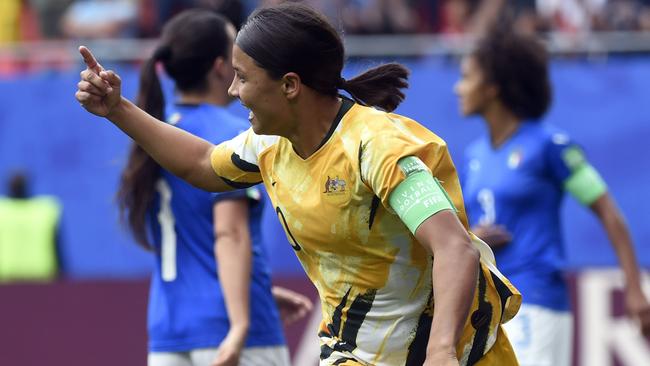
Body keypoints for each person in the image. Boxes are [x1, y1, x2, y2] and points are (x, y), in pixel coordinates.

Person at [75, 3, 522, 365]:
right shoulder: (268, 145)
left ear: (289, 85)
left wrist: (441, 352)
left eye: (243, 77)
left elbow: (454, 248)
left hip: (462, 353)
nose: (232, 90)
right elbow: (200, 164)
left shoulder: (377, 148)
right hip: (354, 356)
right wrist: (118, 109)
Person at [114, 9, 311, 366]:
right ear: (223, 66)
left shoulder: (158, 134)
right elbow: (229, 234)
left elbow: (195, 243)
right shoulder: (230, 134)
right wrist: (240, 322)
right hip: (230, 333)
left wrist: (259, 291)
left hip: (168, 331)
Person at [454, 26, 650, 366]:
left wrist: (634, 289)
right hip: (487, 306)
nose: (458, 88)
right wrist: (473, 239)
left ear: (492, 88)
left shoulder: (551, 147)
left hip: (536, 301)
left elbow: (609, 213)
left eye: (467, 77)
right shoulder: (473, 157)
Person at [0, 172, 62, 282]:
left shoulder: (47, 209)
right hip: (41, 275)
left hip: (7, 276)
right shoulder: (46, 209)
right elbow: (58, 248)